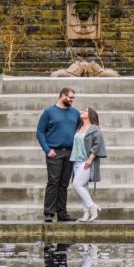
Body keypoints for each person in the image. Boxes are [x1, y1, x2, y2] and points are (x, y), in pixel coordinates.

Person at [36, 87, 81, 223]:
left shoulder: (75, 113)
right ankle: (49, 213)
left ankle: (62, 213)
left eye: (73, 98)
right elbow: (40, 132)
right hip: (54, 152)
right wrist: (47, 149)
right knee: (53, 182)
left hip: (70, 152)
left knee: (64, 184)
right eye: (70, 97)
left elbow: (80, 130)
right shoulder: (49, 112)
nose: (72, 100)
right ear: (62, 96)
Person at [71, 107, 106, 222]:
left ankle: (92, 207)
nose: (82, 112)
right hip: (76, 160)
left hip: (86, 162)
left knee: (77, 185)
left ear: (90, 115)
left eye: (85, 111)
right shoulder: (79, 127)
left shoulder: (94, 129)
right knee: (83, 187)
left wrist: (90, 160)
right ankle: (86, 214)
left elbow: (97, 144)